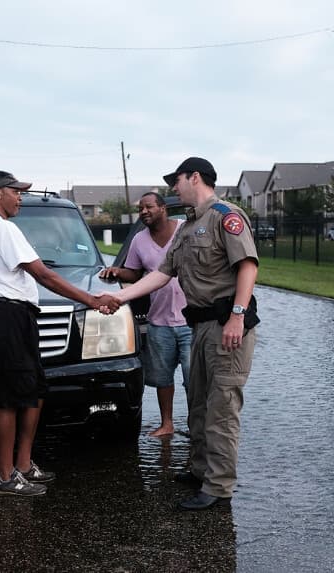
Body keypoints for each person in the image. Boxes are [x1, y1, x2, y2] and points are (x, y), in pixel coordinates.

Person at [105, 157, 259, 511]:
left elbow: (247, 266)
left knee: (222, 407)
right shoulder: (188, 228)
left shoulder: (225, 216)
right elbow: (161, 274)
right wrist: (118, 296)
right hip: (200, 325)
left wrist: (237, 315)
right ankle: (201, 469)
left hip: (227, 326)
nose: (173, 188)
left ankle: (218, 487)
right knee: (200, 404)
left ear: (195, 177)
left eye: (176, 181)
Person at [0, 170, 120, 497]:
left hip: (16, 315)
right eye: (15, 191)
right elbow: (44, 275)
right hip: (6, 315)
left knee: (34, 389)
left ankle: (23, 464)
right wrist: (92, 300)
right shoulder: (0, 227)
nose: (20, 197)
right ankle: (5, 476)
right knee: (8, 398)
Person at [99, 192, 191, 438]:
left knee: (194, 380)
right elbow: (134, 273)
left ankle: (198, 425)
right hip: (159, 319)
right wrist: (117, 272)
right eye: (140, 208)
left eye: (148, 206)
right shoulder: (139, 240)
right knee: (162, 378)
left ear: (163, 208)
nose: (143, 211)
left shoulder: (185, 230)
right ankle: (167, 423)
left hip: (191, 319)